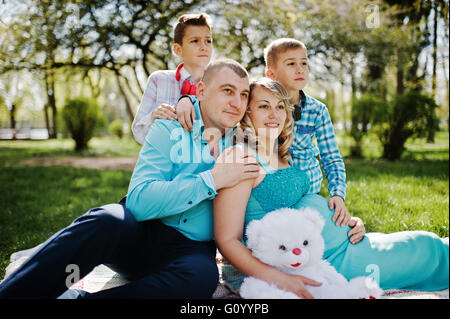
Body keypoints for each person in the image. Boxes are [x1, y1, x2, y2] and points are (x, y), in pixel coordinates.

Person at [0, 59, 260, 299]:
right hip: (139, 232)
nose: (237, 102)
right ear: (201, 91)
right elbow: (139, 202)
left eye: (243, 94)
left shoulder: (244, 145)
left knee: (201, 277)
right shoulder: (168, 126)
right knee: (106, 219)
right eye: (227, 91)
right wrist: (212, 180)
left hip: (190, 249)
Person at [214, 77, 449, 299]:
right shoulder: (241, 157)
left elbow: (302, 207)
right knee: (423, 249)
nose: (274, 114)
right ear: (247, 113)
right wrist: (280, 279)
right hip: (313, 263)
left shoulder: (282, 153)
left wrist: (348, 221)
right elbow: (227, 240)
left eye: (280, 107)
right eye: (264, 106)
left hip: (335, 245)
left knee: (422, 243)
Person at [264, 38, 350, 227]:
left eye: (304, 63)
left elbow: (331, 158)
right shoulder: (263, 109)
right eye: (291, 64)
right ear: (271, 74)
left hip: (308, 197)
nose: (300, 69)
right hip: (273, 198)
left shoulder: (317, 110)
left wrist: (337, 193)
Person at [132, 13, 213, 144]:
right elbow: (138, 131)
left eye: (208, 41)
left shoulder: (216, 85)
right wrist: (153, 116)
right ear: (178, 49)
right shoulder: (158, 80)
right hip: (164, 159)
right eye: (195, 41)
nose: (204, 46)